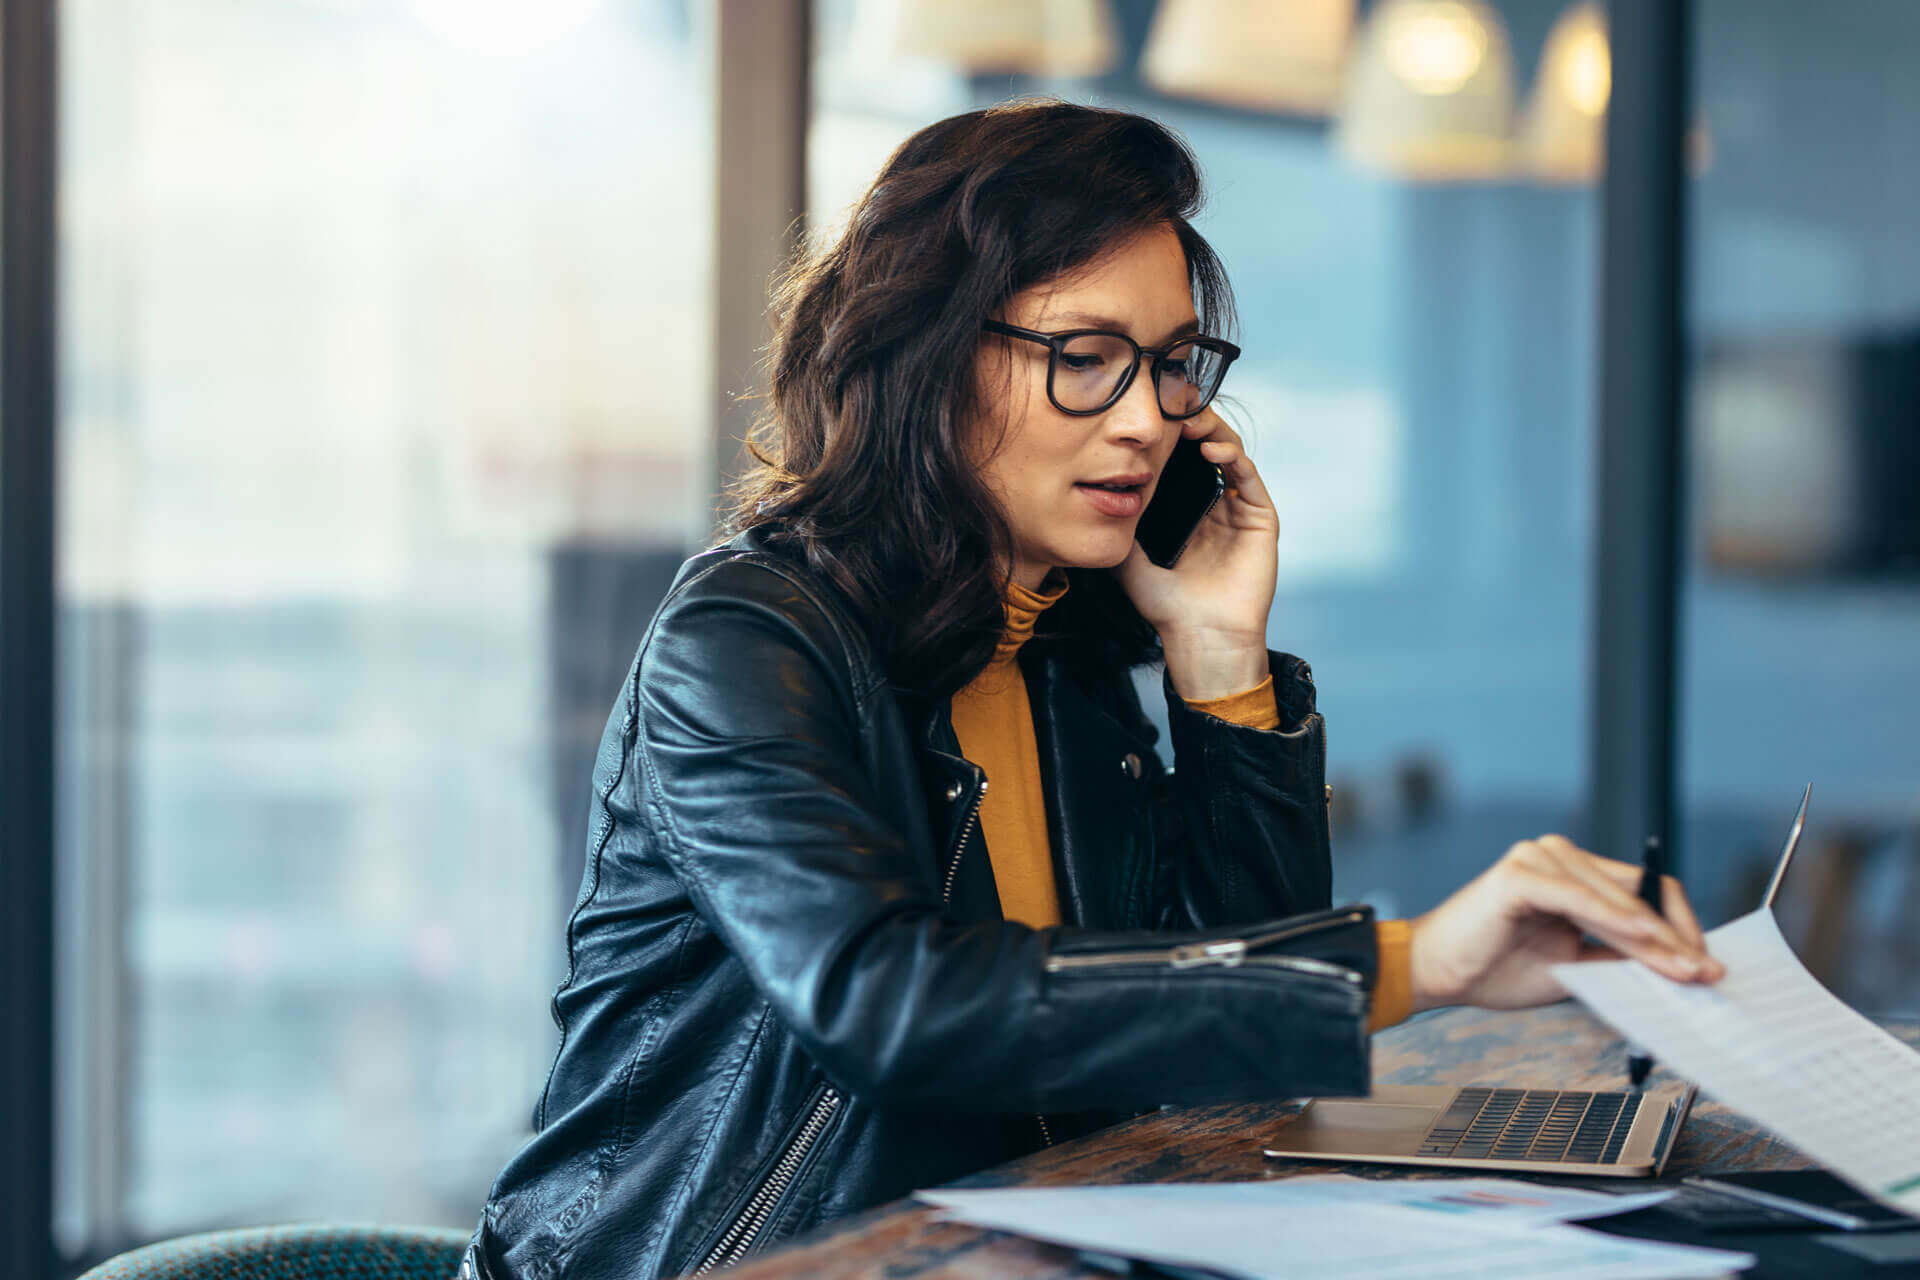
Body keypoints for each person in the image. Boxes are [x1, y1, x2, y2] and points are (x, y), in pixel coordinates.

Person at [464, 100, 1721, 1280]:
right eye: (1085, 357)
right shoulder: (748, 636)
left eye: (1172, 366)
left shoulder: (1062, 652)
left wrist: (1221, 661)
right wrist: (1417, 961)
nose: (1145, 421)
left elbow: (1222, 1050)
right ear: (928, 355)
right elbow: (895, 999)